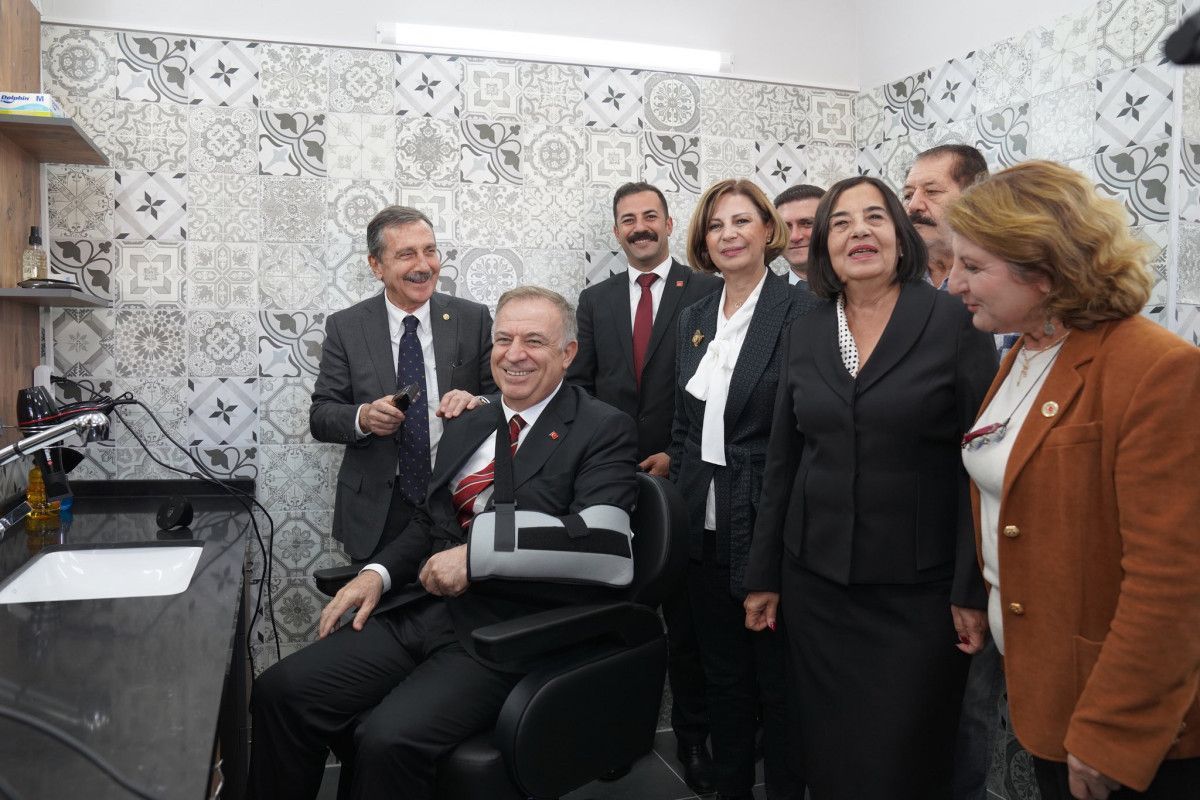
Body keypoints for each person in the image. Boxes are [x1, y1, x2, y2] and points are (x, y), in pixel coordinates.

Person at [251, 287, 640, 800]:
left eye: (534, 341)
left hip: (508, 629)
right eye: (503, 339)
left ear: (567, 352)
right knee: (281, 692)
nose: (514, 354)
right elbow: (429, 520)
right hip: (422, 609)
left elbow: (606, 547)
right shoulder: (472, 419)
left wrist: (476, 559)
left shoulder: (603, 428)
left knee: (386, 740)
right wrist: (377, 574)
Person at [947, 160, 1200, 800]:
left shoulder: (1155, 368)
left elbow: (1173, 579)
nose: (954, 284)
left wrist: (1114, 730)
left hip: (1119, 715)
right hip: (1046, 681)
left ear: (1043, 268)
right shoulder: (1026, 350)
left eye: (973, 267)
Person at [743, 175, 998, 799]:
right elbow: (784, 461)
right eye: (841, 222)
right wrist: (764, 575)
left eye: (875, 217)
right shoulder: (804, 330)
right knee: (828, 752)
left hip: (918, 592)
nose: (858, 231)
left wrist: (971, 588)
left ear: (901, 235)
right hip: (815, 584)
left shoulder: (955, 320)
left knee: (905, 759)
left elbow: (980, 466)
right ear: (825, 246)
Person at [568, 181, 721, 791]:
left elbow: (717, 390)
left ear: (668, 223)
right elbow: (580, 387)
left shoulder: (707, 290)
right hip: (608, 484)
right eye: (628, 219)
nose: (640, 227)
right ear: (616, 231)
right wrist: (600, 461)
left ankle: (693, 741)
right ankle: (614, 736)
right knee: (614, 622)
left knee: (686, 625)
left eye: (650, 216)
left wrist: (675, 456)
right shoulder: (595, 299)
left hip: (682, 480)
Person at [669, 178, 817, 800]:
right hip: (702, 525)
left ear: (767, 230)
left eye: (741, 221)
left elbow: (806, 435)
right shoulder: (694, 318)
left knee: (778, 688)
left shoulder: (804, 311)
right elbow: (683, 426)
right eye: (715, 225)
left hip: (767, 523)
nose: (728, 235)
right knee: (723, 679)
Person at [903, 143, 1006, 800]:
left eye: (931, 191)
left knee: (967, 709)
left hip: (987, 544)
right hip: (918, 543)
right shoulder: (904, 292)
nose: (914, 205)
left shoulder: (1002, 304)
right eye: (908, 191)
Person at [310, 205, 495, 562]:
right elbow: (321, 416)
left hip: (457, 496)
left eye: (430, 250)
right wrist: (364, 418)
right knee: (375, 595)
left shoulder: (473, 319)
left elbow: (504, 397)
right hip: (378, 509)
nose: (424, 265)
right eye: (407, 254)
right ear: (376, 265)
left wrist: (477, 402)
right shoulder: (346, 327)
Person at [902, 144, 988, 291]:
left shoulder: (1005, 275)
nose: (913, 205)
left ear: (974, 199)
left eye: (931, 191)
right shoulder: (891, 276)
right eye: (908, 195)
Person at [773, 183, 825, 290]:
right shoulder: (761, 295)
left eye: (807, 223)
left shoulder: (857, 289)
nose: (794, 237)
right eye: (785, 227)